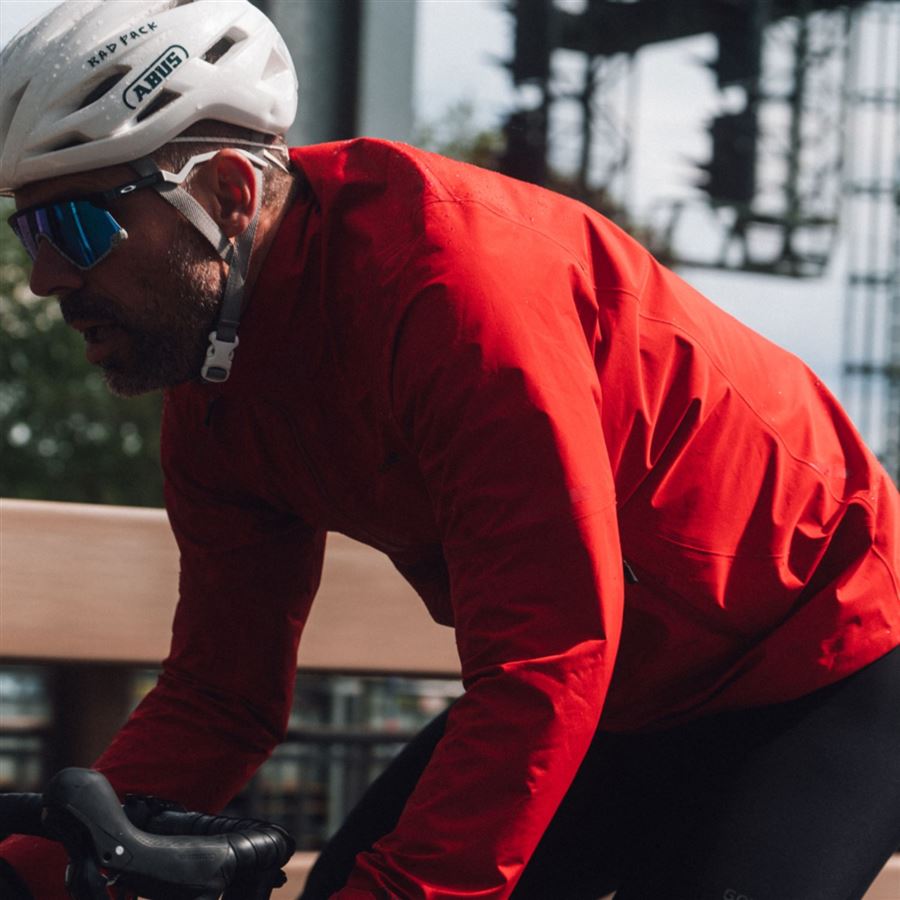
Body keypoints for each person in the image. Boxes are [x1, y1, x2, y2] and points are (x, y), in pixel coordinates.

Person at [1, 1, 898, 898]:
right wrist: (24, 876)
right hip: (619, 691)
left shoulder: (456, 296)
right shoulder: (214, 386)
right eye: (27, 230)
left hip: (823, 654)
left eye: (77, 227)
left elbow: (547, 656)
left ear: (228, 196)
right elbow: (220, 698)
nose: (45, 278)